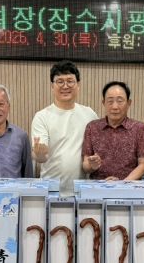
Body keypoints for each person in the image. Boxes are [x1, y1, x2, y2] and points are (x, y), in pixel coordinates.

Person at [31, 60, 98, 194]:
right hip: (51, 190)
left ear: (78, 85)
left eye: (70, 81)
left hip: (81, 191)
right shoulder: (42, 116)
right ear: (52, 86)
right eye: (60, 81)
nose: (65, 86)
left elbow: (95, 151)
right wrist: (39, 154)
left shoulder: (89, 114)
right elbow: (41, 157)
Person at [82, 81, 144, 180]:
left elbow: (143, 165)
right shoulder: (92, 127)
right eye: (110, 101)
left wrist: (122, 184)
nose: (115, 107)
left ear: (129, 103)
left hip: (129, 186)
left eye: (120, 101)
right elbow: (85, 165)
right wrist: (91, 165)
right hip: (98, 187)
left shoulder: (139, 128)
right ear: (103, 103)